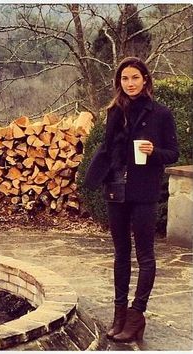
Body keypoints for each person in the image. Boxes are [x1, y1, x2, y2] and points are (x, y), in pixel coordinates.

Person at [84, 56, 179, 342]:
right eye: (125, 78)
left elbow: (173, 153)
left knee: (145, 255)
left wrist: (153, 152)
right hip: (116, 189)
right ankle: (119, 315)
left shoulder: (161, 114)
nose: (130, 83)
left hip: (144, 192)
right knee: (121, 254)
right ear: (119, 82)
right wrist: (96, 175)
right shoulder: (114, 111)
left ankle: (137, 315)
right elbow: (107, 147)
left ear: (146, 80)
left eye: (135, 77)